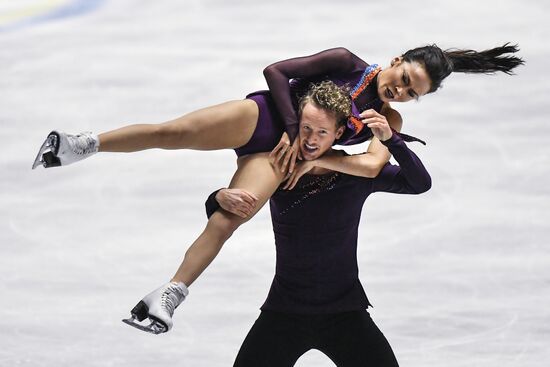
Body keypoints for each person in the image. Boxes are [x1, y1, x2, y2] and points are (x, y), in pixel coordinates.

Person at [31, 44, 523, 333]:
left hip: (280, 159)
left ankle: (168, 293)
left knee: (233, 215)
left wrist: (362, 143)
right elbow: (277, 72)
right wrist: (292, 129)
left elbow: (374, 167)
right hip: (263, 118)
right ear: (395, 60)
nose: (401, 91)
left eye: (413, 93)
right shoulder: (346, 60)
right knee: (172, 133)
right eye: (404, 78)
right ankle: (82, 144)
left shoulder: (386, 118)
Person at [207, 84, 431, 366]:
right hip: (284, 313)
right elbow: (227, 207)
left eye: (322, 132)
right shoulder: (281, 170)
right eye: (306, 129)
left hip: (345, 314)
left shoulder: (357, 175)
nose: (312, 140)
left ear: (338, 133)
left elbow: (419, 183)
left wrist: (392, 140)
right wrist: (218, 197)